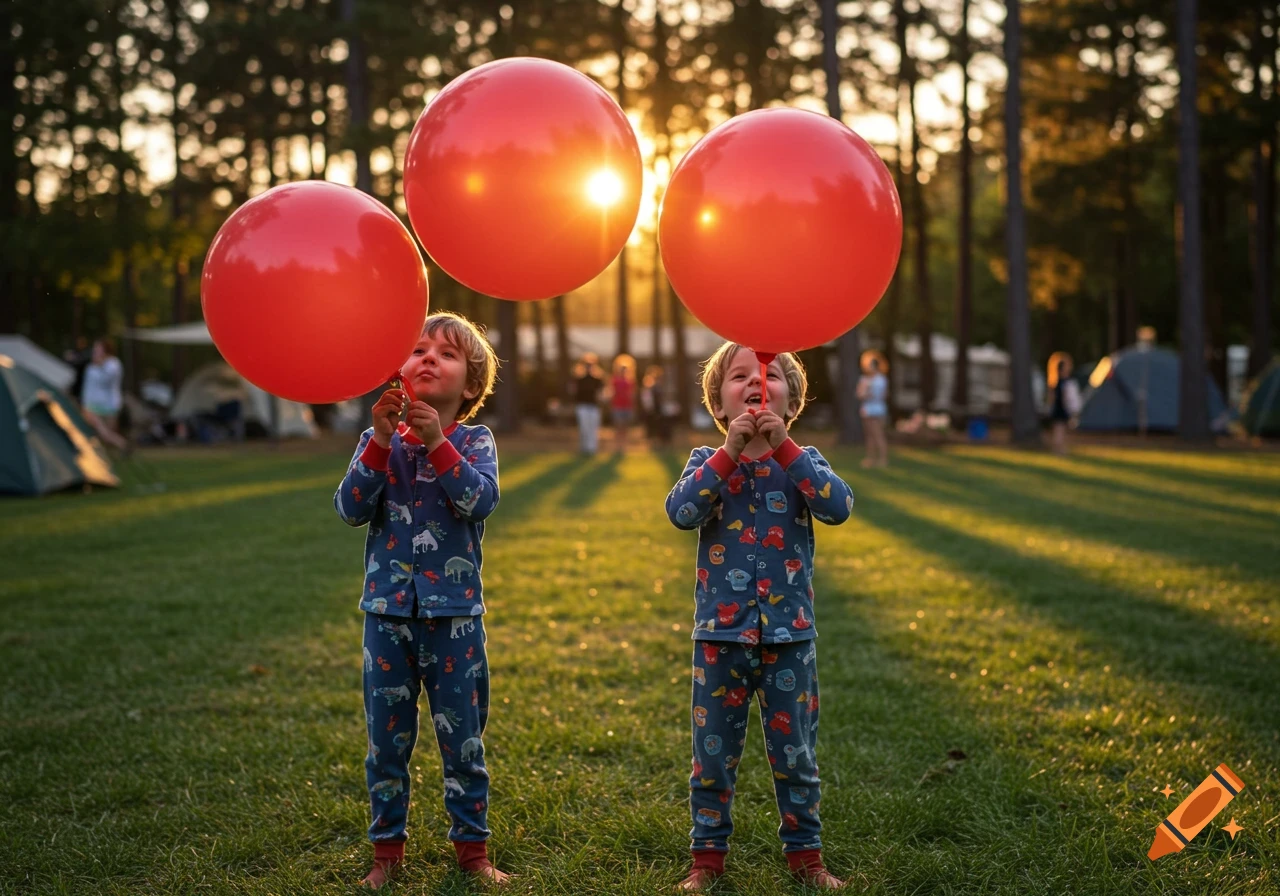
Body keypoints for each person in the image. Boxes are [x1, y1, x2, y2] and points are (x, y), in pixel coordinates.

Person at [664, 343, 854, 891]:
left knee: (796, 754)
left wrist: (786, 448)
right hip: (718, 640)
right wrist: (728, 453)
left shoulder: (803, 460)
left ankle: (806, 858)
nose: (755, 382)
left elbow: (837, 506)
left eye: (769, 377)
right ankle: (706, 860)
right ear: (719, 404)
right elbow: (681, 512)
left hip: (789, 638)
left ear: (790, 403)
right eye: (739, 376)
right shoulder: (707, 461)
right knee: (712, 758)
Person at [333, 312, 511, 888]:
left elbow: (477, 501)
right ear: (398, 371)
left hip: (454, 620)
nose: (428, 357)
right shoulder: (375, 441)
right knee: (387, 743)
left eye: (447, 354)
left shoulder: (473, 440)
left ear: (471, 385)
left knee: (463, 740)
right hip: (387, 617)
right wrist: (383, 441)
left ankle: (473, 854)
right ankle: (386, 853)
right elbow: (351, 508)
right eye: (416, 349)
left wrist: (436, 441)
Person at [80, 337, 129, 453]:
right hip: (92, 405)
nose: (95, 351)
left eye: (98, 348)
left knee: (106, 435)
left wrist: (100, 364)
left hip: (110, 404)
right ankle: (122, 445)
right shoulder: (91, 366)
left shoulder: (113, 364)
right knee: (102, 432)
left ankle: (122, 445)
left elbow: (107, 381)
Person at [856, 353, 889, 468]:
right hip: (868, 409)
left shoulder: (879, 379)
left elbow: (881, 395)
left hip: (876, 409)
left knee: (878, 435)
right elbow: (859, 394)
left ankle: (882, 459)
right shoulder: (865, 379)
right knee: (869, 435)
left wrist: (868, 393)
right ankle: (871, 459)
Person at [1047, 354, 1081, 456]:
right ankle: (1058, 449)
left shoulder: (1056, 382)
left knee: (1060, 429)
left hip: (1059, 408)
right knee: (1059, 429)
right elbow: (1063, 398)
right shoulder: (1062, 383)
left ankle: (1060, 448)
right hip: (1061, 408)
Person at [572, 353, 604, 454]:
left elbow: (601, 393)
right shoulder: (579, 379)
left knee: (593, 428)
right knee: (584, 427)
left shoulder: (597, 380)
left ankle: (592, 448)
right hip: (582, 406)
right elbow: (573, 392)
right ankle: (584, 447)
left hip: (593, 406)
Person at [608, 353, 637, 453]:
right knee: (618, 427)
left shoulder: (630, 381)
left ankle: (624, 446)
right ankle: (617, 446)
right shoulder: (614, 380)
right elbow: (611, 393)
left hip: (627, 406)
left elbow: (632, 394)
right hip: (617, 406)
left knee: (625, 427)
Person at [640, 364, 671, 446]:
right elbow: (648, 399)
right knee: (653, 426)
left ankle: (660, 441)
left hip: (658, 409)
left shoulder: (658, 387)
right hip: (653, 409)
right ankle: (655, 442)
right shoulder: (650, 386)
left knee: (659, 426)